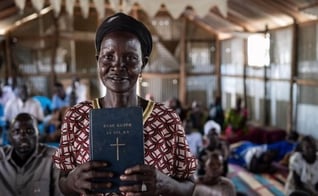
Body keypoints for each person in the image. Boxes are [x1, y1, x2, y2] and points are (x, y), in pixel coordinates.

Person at [52, 12, 197, 196]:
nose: (118, 65)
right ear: (98, 60)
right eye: (108, 57)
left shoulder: (167, 120)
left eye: (130, 58)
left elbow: (190, 185)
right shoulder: (77, 117)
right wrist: (72, 182)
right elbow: (62, 182)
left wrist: (164, 184)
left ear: (143, 64)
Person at [0, 113, 62, 196]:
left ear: (38, 134)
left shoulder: (53, 158)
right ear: (10, 137)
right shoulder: (1, 157)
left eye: (29, 131)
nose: (23, 136)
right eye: (17, 131)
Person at [228, 139, 297, 173]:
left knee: (284, 146)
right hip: (255, 157)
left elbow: (243, 143)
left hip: (263, 149)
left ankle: (297, 148)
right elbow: (253, 167)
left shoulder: (240, 146)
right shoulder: (230, 159)